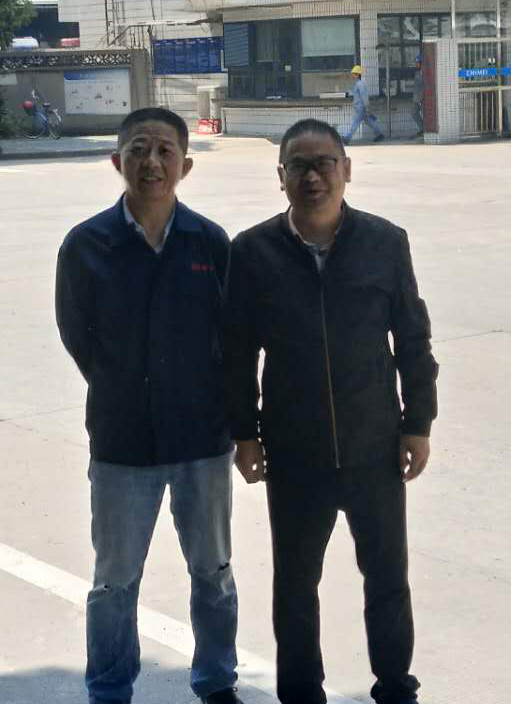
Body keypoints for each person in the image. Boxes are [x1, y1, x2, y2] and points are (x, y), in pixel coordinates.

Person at [223, 118, 439, 704]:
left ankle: (395, 688)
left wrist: (418, 422)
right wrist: (245, 432)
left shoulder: (384, 242)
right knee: (296, 586)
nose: (313, 176)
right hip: (295, 453)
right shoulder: (252, 252)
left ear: (347, 169)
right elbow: (237, 352)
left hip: (375, 447)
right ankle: (300, 693)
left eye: (324, 163)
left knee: (387, 581)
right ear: (281, 176)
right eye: (299, 165)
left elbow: (412, 339)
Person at [55, 107, 244, 704]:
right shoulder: (86, 245)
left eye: (165, 151)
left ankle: (216, 681)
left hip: (201, 442)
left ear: (186, 165)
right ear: (118, 161)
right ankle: (110, 689)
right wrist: (123, 389)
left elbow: (232, 339)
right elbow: (79, 335)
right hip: (122, 443)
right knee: (114, 581)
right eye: (139, 150)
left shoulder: (210, 243)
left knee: (213, 571)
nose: (152, 162)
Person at [344, 64, 384, 144]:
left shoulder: (360, 84)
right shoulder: (359, 83)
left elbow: (364, 96)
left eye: (354, 74)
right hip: (362, 107)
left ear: (357, 74)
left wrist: (366, 107)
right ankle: (380, 134)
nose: (352, 75)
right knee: (370, 122)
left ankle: (347, 138)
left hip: (361, 108)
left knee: (355, 123)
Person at [412, 53, 425, 138]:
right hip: (416, 98)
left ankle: (425, 129)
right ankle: (422, 128)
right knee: (414, 113)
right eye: (416, 63)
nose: (416, 64)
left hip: (423, 98)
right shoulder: (417, 73)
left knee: (426, 114)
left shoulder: (426, 73)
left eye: (418, 62)